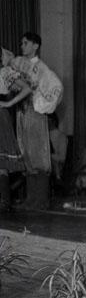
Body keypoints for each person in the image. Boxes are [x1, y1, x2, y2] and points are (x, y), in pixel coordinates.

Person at [7, 33, 63, 209]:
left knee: (38, 154)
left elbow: (56, 87)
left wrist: (41, 104)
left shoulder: (42, 68)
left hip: (35, 114)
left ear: (35, 46)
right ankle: (31, 198)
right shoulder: (20, 64)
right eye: (21, 43)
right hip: (22, 113)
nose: (22, 46)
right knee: (27, 155)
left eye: (26, 43)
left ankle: (41, 199)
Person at [0, 52, 30, 213]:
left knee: (1, 161)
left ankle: (5, 201)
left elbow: (26, 88)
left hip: (0, 117)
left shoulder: (4, 72)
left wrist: (9, 103)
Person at [48, 112, 68, 189]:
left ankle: (58, 178)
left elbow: (62, 158)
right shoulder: (42, 136)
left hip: (56, 165)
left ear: (52, 121)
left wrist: (48, 156)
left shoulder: (61, 136)